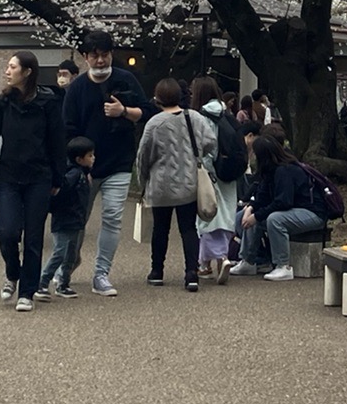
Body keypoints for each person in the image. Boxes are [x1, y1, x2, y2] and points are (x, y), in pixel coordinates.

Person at [59, 28, 151, 298]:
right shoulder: (76, 89)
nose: (100, 61)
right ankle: (67, 266)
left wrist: (124, 111)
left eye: (105, 55)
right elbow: (68, 129)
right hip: (83, 166)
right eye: (95, 56)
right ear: (85, 57)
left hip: (119, 162)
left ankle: (101, 273)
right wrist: (78, 165)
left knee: (112, 218)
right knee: (78, 220)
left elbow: (146, 112)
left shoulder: (126, 79)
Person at [0, 49, 67, 311]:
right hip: (7, 176)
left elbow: (56, 141)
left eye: (13, 67)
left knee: (34, 235)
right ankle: (12, 272)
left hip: (39, 176)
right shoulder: (0, 105)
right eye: (8, 66)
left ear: (27, 72)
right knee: (7, 231)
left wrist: (58, 176)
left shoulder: (48, 103)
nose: (8, 71)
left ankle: (28, 290)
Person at [136, 78, 216, 292]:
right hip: (188, 183)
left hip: (161, 185)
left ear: (158, 98)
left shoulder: (154, 123)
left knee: (160, 229)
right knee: (188, 230)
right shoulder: (195, 118)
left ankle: (157, 271)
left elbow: (144, 156)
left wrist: (142, 181)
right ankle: (191, 273)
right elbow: (210, 142)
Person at [232, 136, 322, 281]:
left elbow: (283, 202)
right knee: (247, 216)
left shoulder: (284, 171)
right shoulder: (270, 171)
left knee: (274, 219)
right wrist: (250, 209)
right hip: (292, 210)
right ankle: (248, 261)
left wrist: (257, 216)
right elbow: (262, 196)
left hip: (311, 212)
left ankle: (283, 265)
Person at [193, 77, 244, 284]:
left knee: (207, 215)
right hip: (229, 173)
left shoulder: (202, 117)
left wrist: (204, 169)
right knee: (224, 215)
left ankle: (221, 258)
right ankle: (205, 263)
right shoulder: (226, 114)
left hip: (210, 172)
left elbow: (205, 148)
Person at [38, 137, 94, 299]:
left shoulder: (82, 173)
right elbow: (61, 194)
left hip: (76, 220)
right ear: (79, 159)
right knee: (60, 252)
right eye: (89, 156)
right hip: (64, 220)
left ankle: (64, 283)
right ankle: (43, 281)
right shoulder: (73, 174)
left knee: (71, 254)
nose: (93, 158)